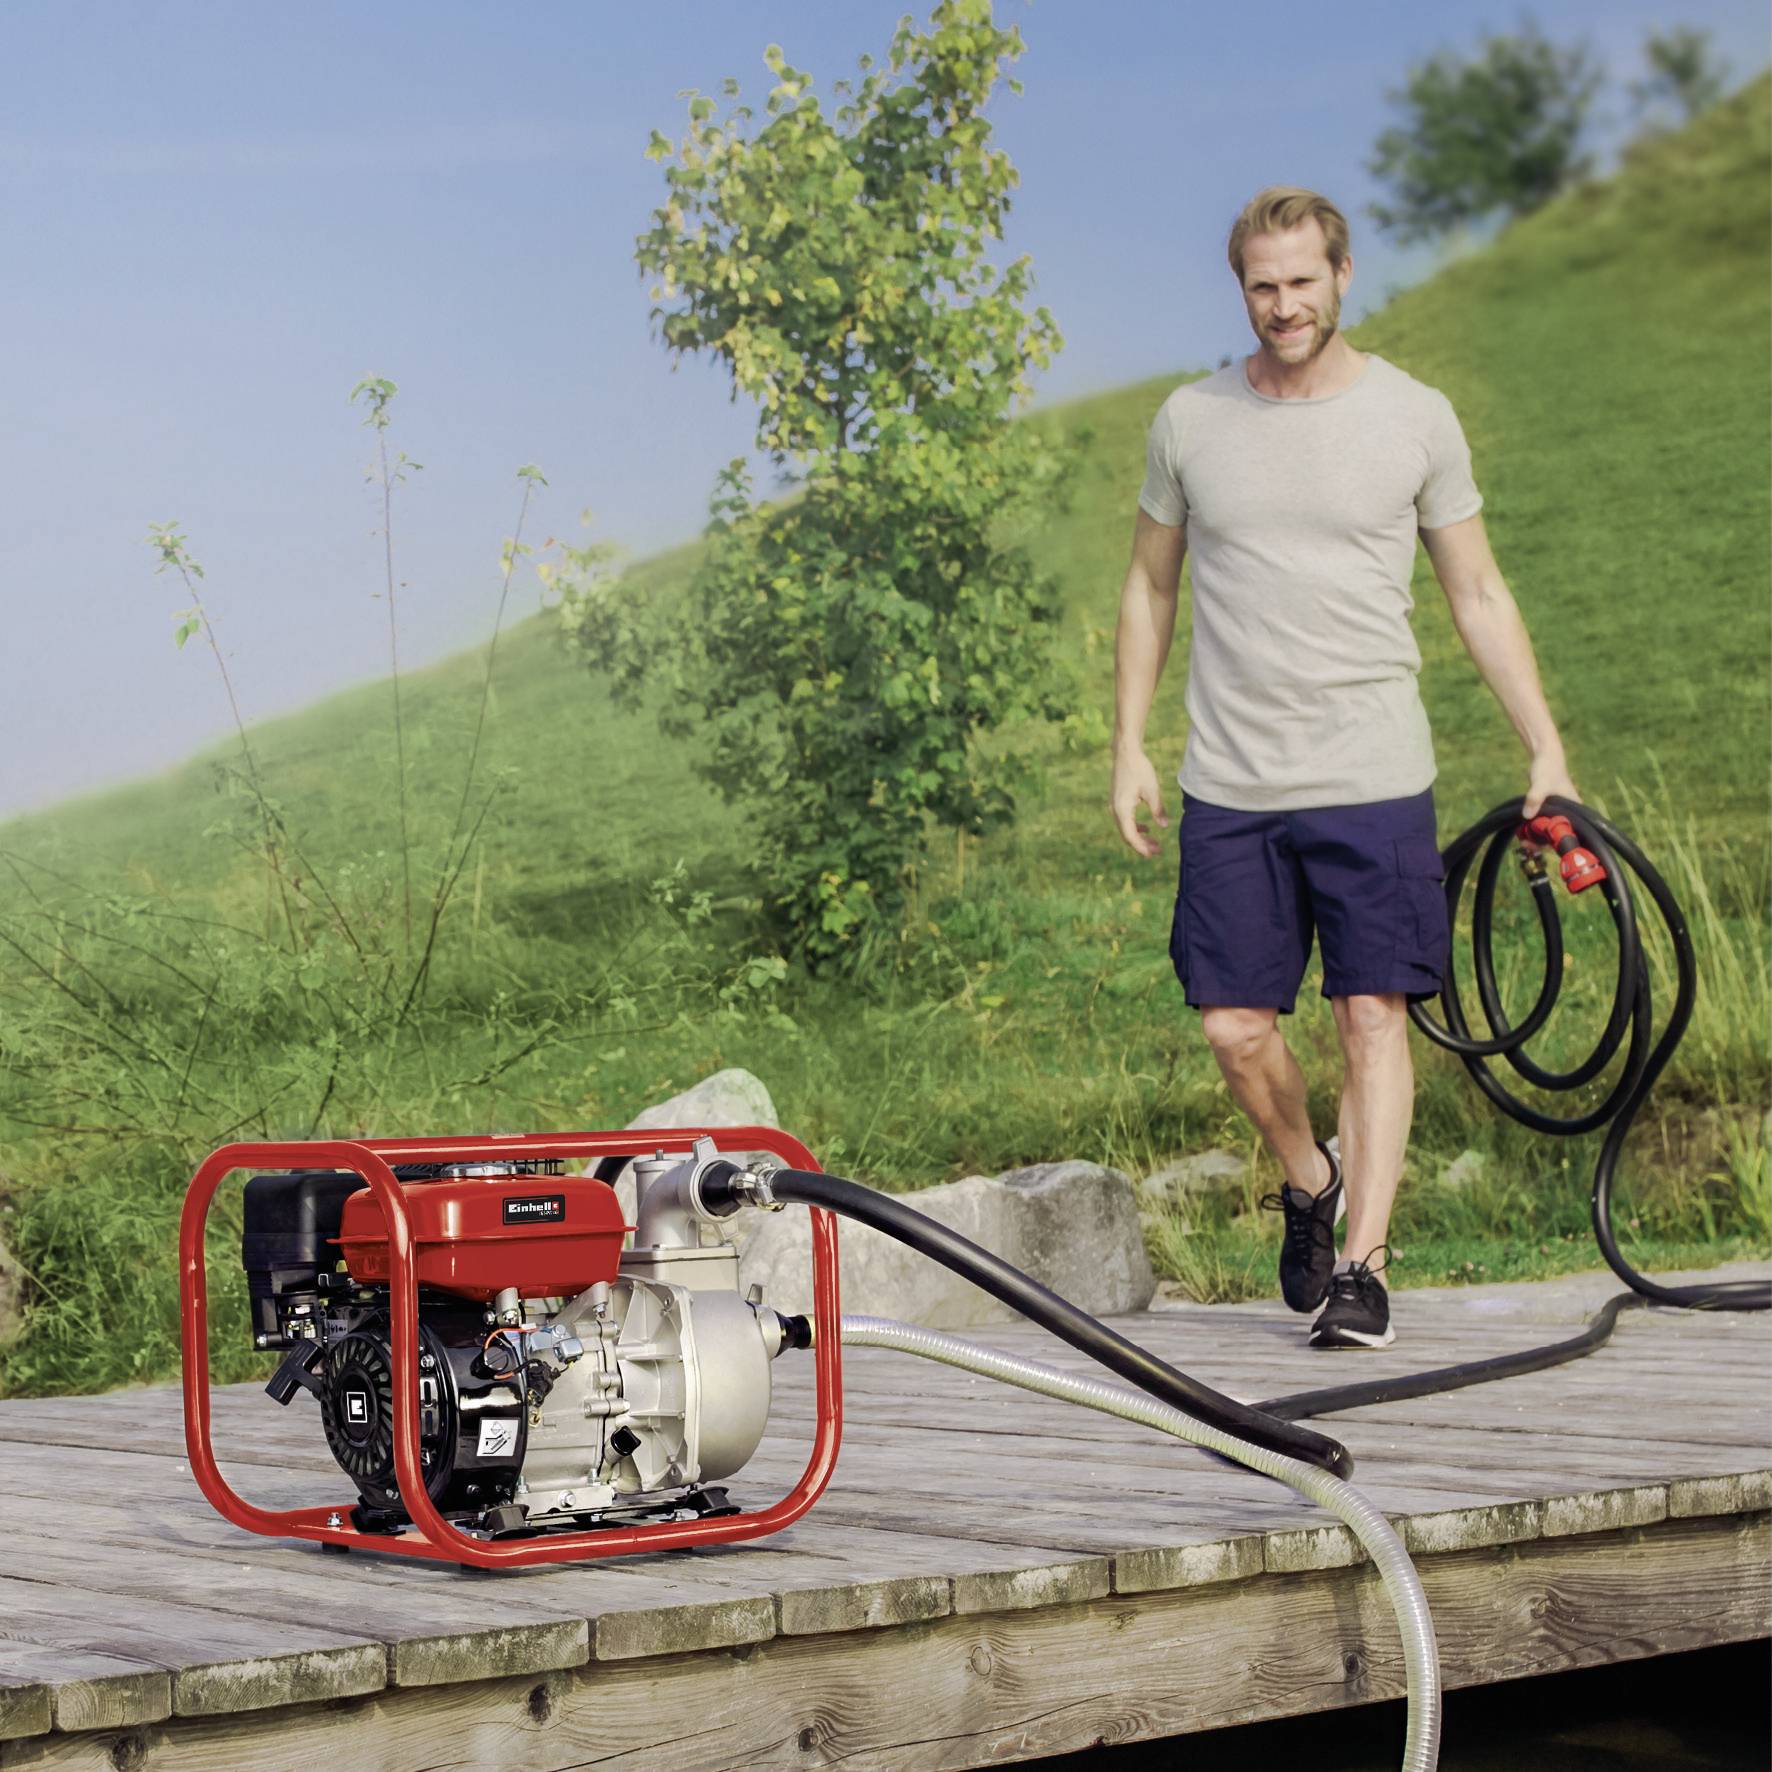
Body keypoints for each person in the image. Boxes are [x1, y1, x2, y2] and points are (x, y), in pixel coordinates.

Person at [1109, 186, 1578, 1350]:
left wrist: (1543, 743)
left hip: (1371, 773)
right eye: (1261, 286)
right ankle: (1306, 1174)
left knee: (1373, 1013)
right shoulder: (1189, 421)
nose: (1282, 306)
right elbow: (1148, 585)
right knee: (1230, 1024)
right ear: (1242, 290)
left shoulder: (1413, 417)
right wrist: (1126, 742)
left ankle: (1362, 1267)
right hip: (1232, 781)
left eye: (1301, 282)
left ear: (1341, 275)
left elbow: (1474, 589)